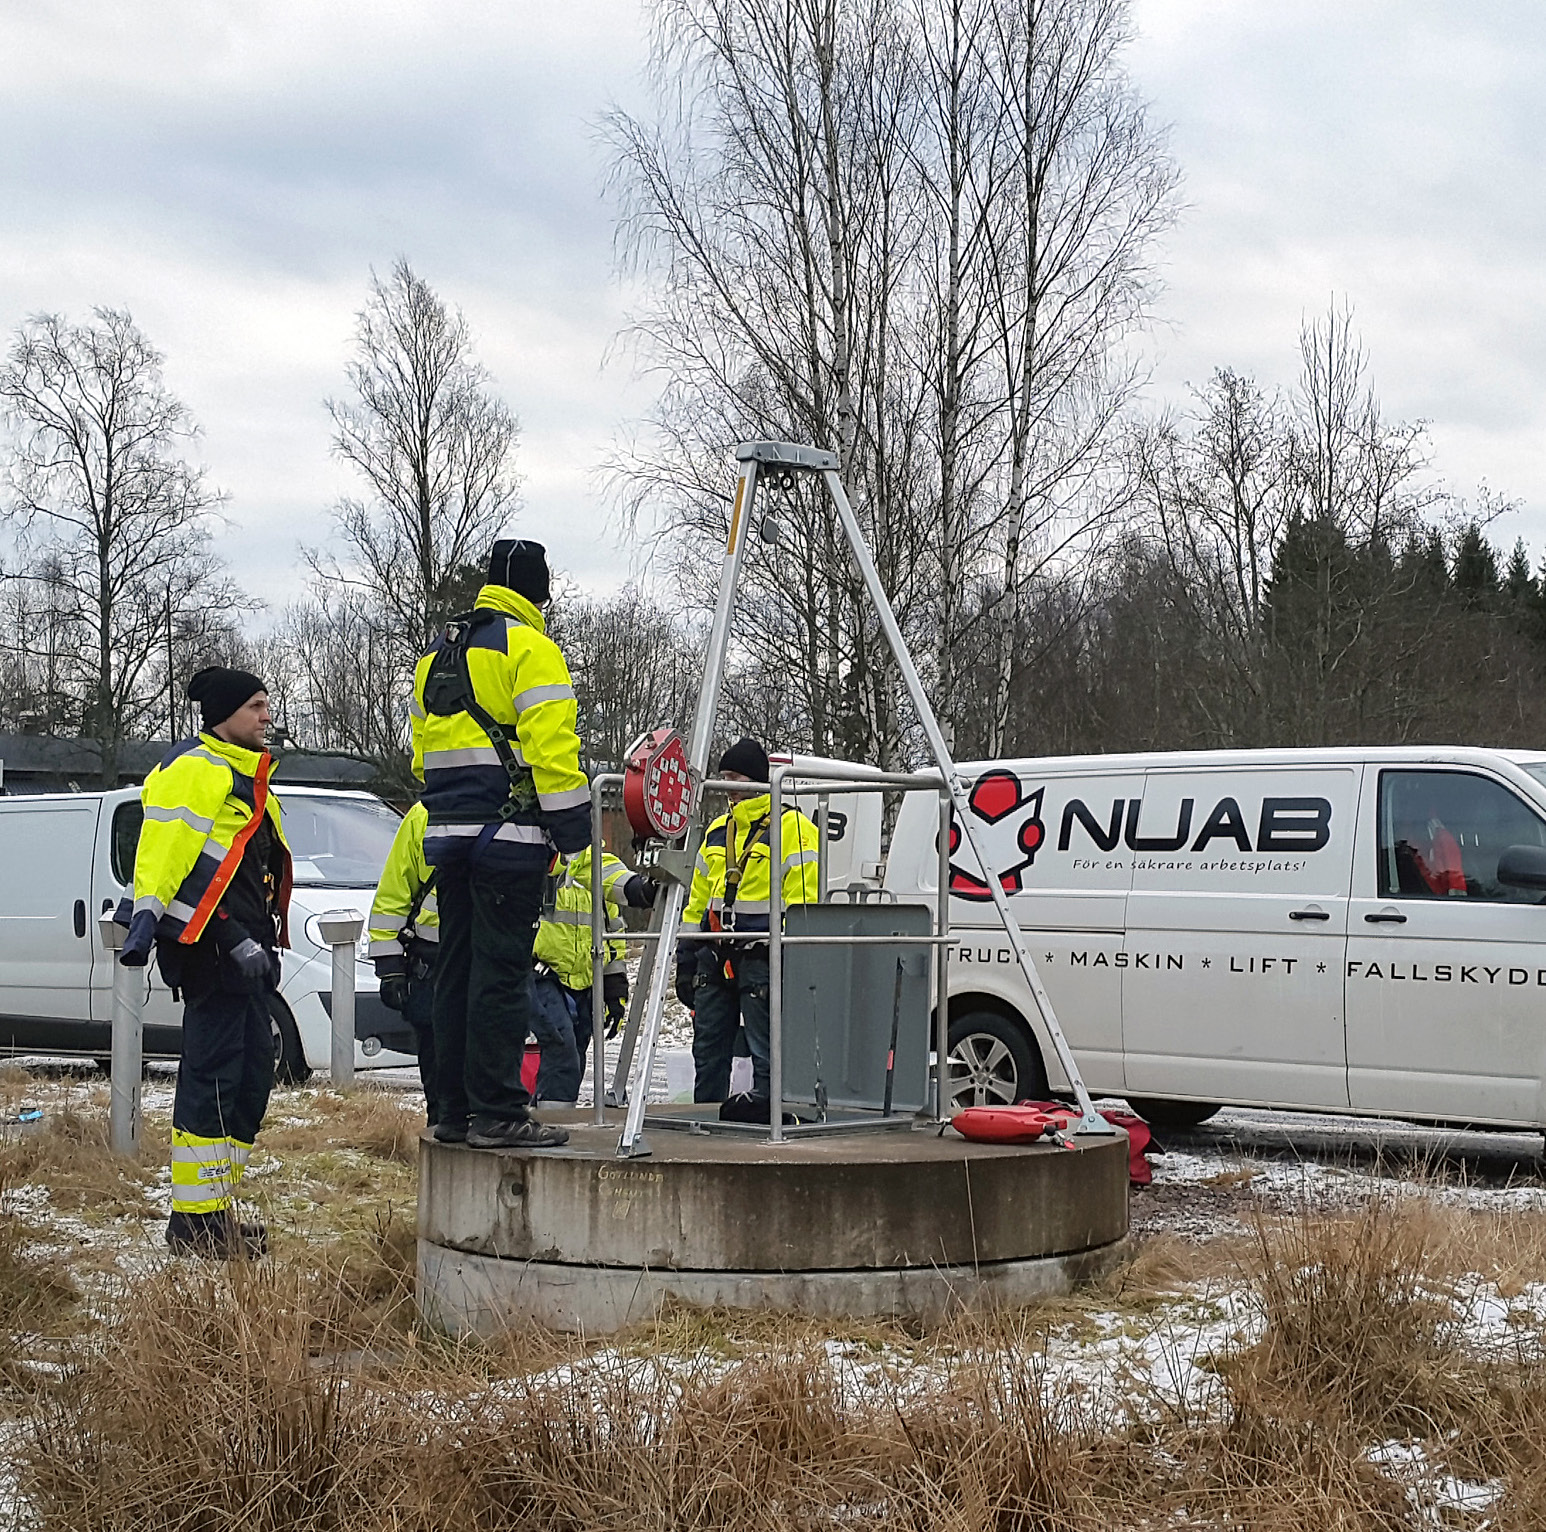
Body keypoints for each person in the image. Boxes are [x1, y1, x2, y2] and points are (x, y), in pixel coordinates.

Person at [411, 538, 590, 1149]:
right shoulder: (532, 650)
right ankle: (499, 1112)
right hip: (508, 839)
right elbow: (552, 753)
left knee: (455, 970)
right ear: (540, 591)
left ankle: (454, 1111)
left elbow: (422, 760)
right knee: (503, 975)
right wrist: (574, 829)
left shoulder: (436, 655)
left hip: (447, 837)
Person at [118, 667, 290, 1259]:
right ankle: (194, 1225)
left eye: (267, 704)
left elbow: (243, 867)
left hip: (246, 953)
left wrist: (260, 942)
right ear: (225, 714)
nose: (266, 715)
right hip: (212, 952)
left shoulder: (242, 772)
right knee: (213, 1077)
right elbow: (175, 866)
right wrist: (228, 936)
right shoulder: (197, 768)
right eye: (256, 706)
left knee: (251, 1074)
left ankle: (214, 1207)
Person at [675, 738, 820, 1105]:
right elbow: (697, 900)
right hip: (715, 954)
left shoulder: (794, 828)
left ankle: (771, 1122)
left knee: (766, 1052)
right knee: (707, 1051)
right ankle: (706, 1122)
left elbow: (803, 901)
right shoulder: (717, 831)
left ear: (754, 780)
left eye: (734, 778)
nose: (728, 789)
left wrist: (792, 956)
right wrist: (686, 956)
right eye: (723, 778)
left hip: (763, 955)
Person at [530, 846, 658, 1104]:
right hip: (539, 973)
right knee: (561, 1050)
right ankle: (554, 1127)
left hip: (583, 981)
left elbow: (612, 930)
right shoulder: (536, 856)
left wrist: (615, 986)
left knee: (574, 1055)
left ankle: (549, 1117)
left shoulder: (594, 861)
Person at [367, 801, 442, 1126]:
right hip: (432, 963)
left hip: (488, 963)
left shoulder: (516, 805)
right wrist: (390, 965)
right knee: (439, 1069)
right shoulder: (424, 814)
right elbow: (395, 892)